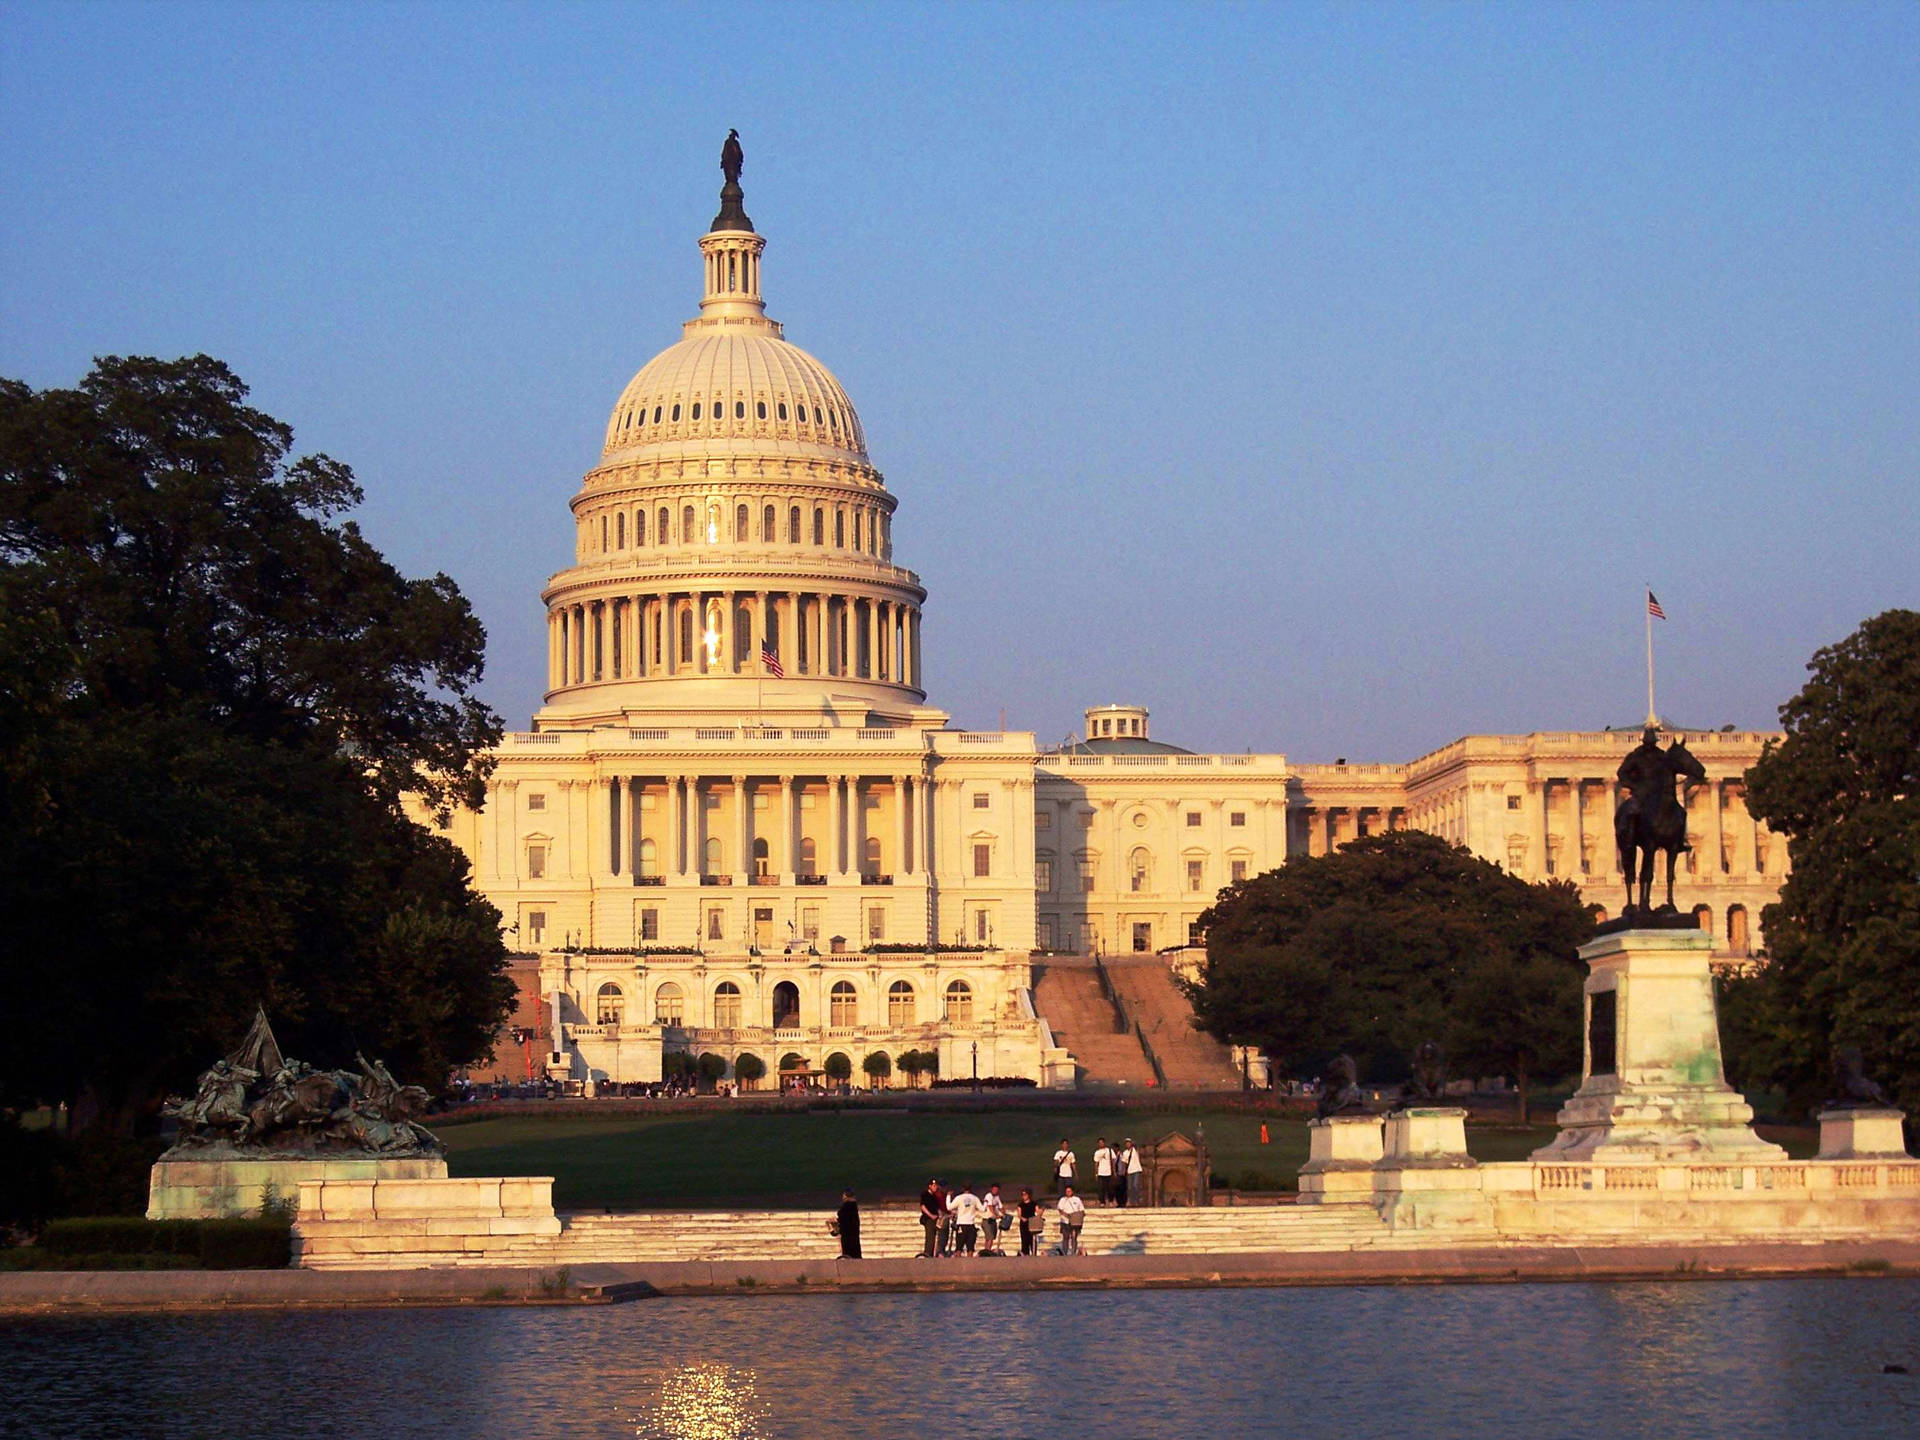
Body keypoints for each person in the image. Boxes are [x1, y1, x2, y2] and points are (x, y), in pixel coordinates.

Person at [948, 1181, 983, 1257]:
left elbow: (949, 1207)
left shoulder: (959, 1198)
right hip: (970, 1224)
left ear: (962, 1188)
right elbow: (982, 1209)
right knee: (970, 1248)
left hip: (961, 1224)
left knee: (959, 1247)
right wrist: (986, 1202)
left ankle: (958, 1264)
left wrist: (948, 1197)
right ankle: (969, 1265)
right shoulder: (974, 1198)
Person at [1056, 1184, 1086, 1256]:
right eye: (1066, 1191)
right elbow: (1060, 1209)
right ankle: (1065, 1252)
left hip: (1075, 1221)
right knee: (1065, 1237)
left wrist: (1077, 1216)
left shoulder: (1077, 1199)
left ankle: (1073, 1252)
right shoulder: (1062, 1199)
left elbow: (1082, 1210)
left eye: (1069, 1191)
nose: (1068, 1192)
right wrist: (1066, 1215)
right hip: (1065, 1221)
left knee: (1074, 1237)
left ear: (1072, 1191)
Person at [918, 1178, 943, 1258]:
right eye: (934, 1186)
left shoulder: (934, 1196)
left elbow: (937, 1207)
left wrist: (940, 1215)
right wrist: (931, 1215)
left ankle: (932, 1254)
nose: (935, 1187)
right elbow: (923, 1206)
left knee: (934, 1237)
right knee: (930, 1237)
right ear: (930, 1186)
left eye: (936, 1186)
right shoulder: (925, 1194)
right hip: (928, 1219)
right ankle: (927, 1253)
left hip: (935, 1219)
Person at [834, 1188, 861, 1259]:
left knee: (848, 1251)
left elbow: (843, 1218)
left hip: (847, 1233)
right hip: (852, 1233)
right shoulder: (853, 1206)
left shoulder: (847, 1206)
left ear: (846, 1195)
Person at [981, 1183, 1007, 1255]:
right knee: (990, 1237)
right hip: (987, 1219)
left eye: (996, 1189)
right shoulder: (988, 1196)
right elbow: (990, 1207)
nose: (995, 1191)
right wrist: (996, 1215)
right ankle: (988, 1252)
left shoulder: (997, 1197)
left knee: (990, 1237)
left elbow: (1000, 1207)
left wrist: (1005, 1214)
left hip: (993, 1220)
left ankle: (986, 1251)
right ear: (991, 1189)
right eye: (994, 1189)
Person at [1016, 1187, 1041, 1256]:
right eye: (1023, 1195)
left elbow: (1038, 1211)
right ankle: (1025, 1253)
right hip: (1024, 1223)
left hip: (1032, 1223)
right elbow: (1019, 1214)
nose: (1024, 1196)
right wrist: (1022, 1218)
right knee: (1024, 1239)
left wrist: (1037, 1217)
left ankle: (1033, 1253)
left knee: (1032, 1239)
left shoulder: (1033, 1203)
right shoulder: (1020, 1205)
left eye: (1025, 1194)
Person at [1093, 1137, 1115, 1206]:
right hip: (1101, 1173)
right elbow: (1096, 1163)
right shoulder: (1097, 1152)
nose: (1101, 1144)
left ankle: (1111, 1201)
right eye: (1099, 1143)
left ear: (1104, 1143)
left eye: (1102, 1142)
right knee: (1101, 1188)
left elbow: (1113, 1161)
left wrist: (1113, 1171)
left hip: (1108, 1172)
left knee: (1110, 1188)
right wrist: (1096, 1173)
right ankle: (1102, 1202)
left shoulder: (1109, 1151)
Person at [1123, 1138, 1144, 1207]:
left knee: (1135, 1186)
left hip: (1136, 1170)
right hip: (1129, 1171)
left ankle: (1136, 1201)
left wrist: (1133, 1143)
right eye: (1126, 1143)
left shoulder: (1134, 1150)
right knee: (1130, 1187)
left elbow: (1136, 1146)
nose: (1127, 1144)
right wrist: (1124, 1171)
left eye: (1129, 1143)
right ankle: (1131, 1201)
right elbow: (1125, 1163)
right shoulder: (1125, 1153)